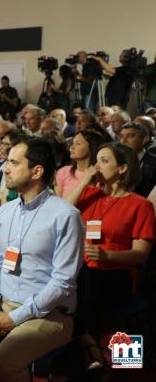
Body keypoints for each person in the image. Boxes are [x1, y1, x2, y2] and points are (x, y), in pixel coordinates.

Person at [0, 138, 85, 382]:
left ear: (37, 171)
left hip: (48, 315)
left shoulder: (65, 215)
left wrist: (12, 319)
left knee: (4, 361)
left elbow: (62, 283)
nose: (4, 168)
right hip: (1, 305)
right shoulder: (5, 212)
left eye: (13, 162)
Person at [65, 142, 154, 369]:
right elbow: (61, 214)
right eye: (97, 160)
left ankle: (94, 349)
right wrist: (85, 180)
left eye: (104, 161)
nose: (97, 166)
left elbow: (141, 254)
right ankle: (93, 349)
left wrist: (107, 256)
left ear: (122, 168)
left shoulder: (140, 205)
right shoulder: (89, 195)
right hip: (85, 270)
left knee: (83, 284)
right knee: (74, 283)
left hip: (117, 273)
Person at [55, 129, 105, 198]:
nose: (72, 147)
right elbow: (58, 204)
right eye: (72, 143)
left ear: (91, 147)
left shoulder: (101, 175)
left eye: (78, 144)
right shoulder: (63, 172)